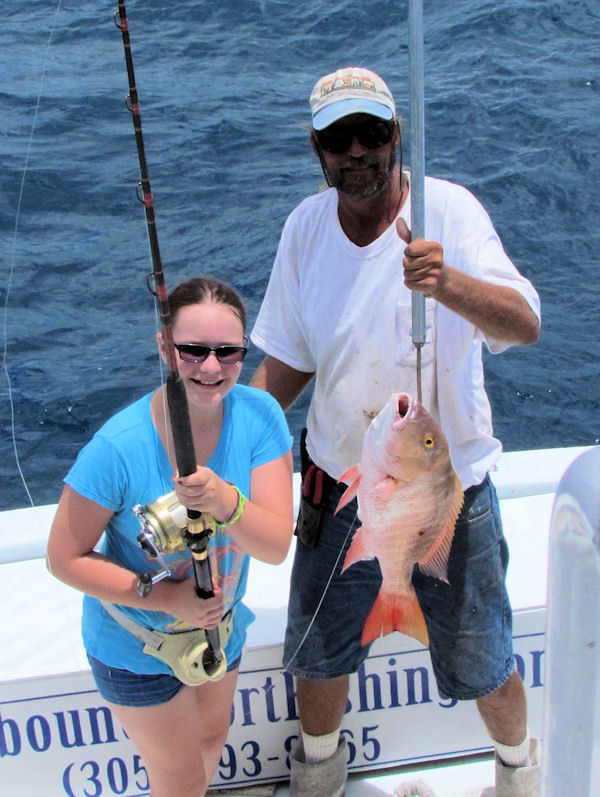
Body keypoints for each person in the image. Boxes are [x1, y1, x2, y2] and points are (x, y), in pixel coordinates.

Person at [250, 67, 542, 797]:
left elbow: (525, 324)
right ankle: (319, 773)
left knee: (483, 658)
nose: (358, 151)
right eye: (338, 138)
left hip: (446, 499)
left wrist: (451, 285)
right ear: (316, 148)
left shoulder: (450, 212)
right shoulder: (304, 228)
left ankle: (520, 776)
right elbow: (287, 359)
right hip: (338, 489)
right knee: (317, 655)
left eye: (372, 133)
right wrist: (232, 440)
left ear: (397, 136)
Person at [47, 276, 294, 797]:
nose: (211, 368)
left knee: (212, 740)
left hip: (220, 631)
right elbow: (63, 559)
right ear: (165, 346)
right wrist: (165, 597)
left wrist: (224, 501)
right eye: (193, 350)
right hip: (137, 644)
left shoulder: (260, 416)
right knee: (179, 780)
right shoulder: (116, 447)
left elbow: (274, 547)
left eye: (228, 352)